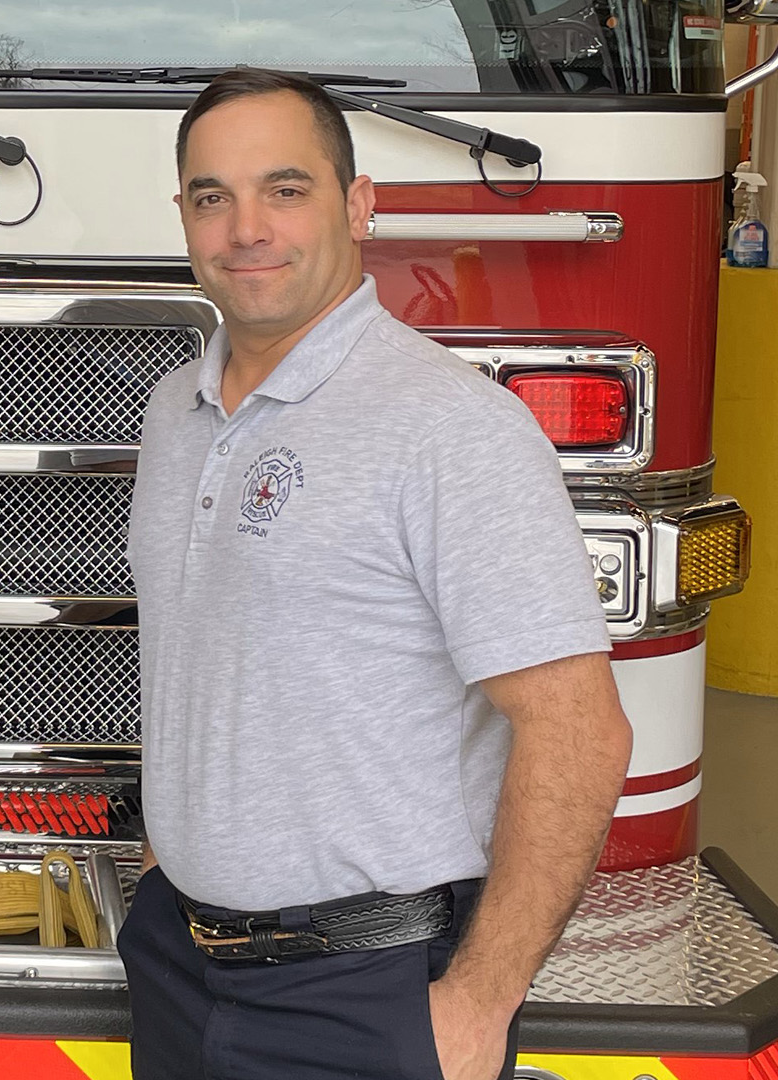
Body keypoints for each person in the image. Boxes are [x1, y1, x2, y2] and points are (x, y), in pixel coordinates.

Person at [121, 69, 633, 1080]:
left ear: (359, 206)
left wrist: (479, 1003)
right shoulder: (174, 411)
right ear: (183, 217)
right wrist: (164, 868)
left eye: (286, 190)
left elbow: (580, 732)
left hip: (367, 994)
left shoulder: (451, 428)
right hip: (178, 969)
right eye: (213, 198)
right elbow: (197, 666)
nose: (247, 229)